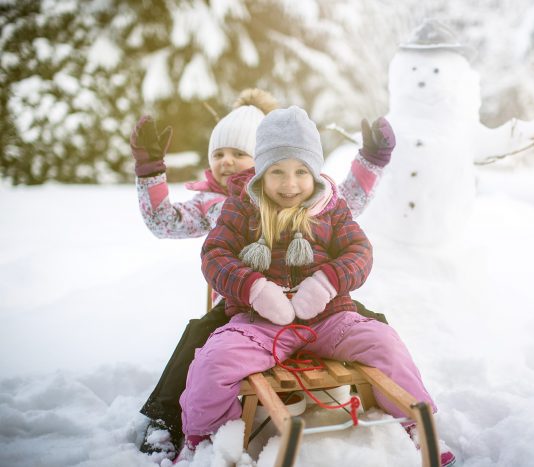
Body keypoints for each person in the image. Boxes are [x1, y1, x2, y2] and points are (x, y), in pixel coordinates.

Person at [176, 106, 455, 466]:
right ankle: (206, 441)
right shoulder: (242, 207)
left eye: (300, 172)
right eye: (277, 172)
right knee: (212, 363)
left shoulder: (331, 207)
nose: (289, 184)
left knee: (385, 342)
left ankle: (418, 424)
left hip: (329, 319)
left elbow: (360, 252)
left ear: (315, 172)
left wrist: (327, 283)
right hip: (259, 325)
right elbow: (214, 255)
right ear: (261, 172)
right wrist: (255, 289)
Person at [129, 89, 395, 456]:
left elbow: (347, 201)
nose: (226, 162)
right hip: (242, 305)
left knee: (374, 322)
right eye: (218, 154)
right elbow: (165, 222)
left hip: (312, 302)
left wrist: (370, 161)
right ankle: (166, 419)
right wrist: (151, 171)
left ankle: (385, 398)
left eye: (238, 153)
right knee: (198, 338)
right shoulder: (214, 204)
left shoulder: (304, 192)